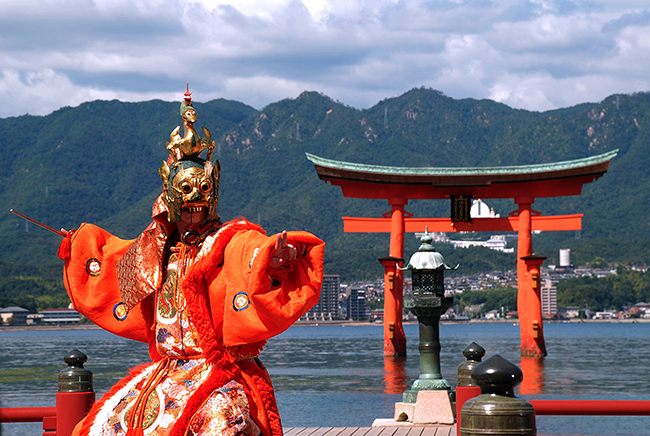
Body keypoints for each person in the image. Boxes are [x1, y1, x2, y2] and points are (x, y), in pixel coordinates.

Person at [57, 88, 325, 436]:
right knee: (102, 426)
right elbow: (109, 263)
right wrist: (78, 245)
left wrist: (273, 264)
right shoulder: (156, 249)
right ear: (168, 193)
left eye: (202, 190)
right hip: (167, 371)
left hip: (221, 369)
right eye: (184, 192)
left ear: (213, 190)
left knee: (219, 423)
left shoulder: (229, 240)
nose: (194, 200)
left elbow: (250, 253)